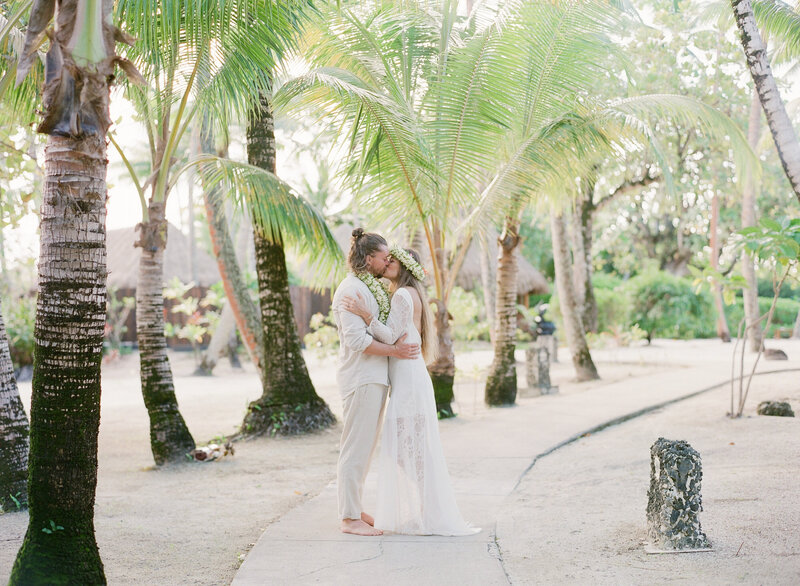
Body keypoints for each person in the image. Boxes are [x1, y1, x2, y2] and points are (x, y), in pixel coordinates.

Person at [342, 247, 478, 536]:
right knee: (410, 450)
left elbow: (392, 337)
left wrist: (366, 315)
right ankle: (430, 508)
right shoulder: (405, 293)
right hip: (407, 378)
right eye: (386, 259)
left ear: (404, 267)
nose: (387, 263)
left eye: (392, 261)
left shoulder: (403, 295)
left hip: (409, 381)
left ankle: (431, 510)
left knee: (409, 451)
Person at [331, 229, 420, 536]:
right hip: (361, 377)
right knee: (355, 448)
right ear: (369, 259)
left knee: (365, 448)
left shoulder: (368, 288)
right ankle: (348, 519)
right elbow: (356, 340)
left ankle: (354, 509)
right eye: (384, 257)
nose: (388, 262)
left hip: (374, 378)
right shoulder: (350, 290)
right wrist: (395, 350)